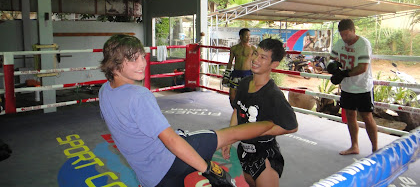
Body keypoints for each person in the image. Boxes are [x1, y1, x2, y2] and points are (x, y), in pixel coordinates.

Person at [99, 34, 279, 187]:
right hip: (170, 161)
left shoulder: (105, 90)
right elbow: (170, 140)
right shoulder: (139, 95)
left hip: (149, 177)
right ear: (114, 64)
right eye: (133, 59)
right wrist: (208, 169)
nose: (142, 63)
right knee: (227, 134)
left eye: (142, 56)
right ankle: (272, 123)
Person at [222, 38, 298, 187]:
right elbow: (237, 111)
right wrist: (229, 139)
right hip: (243, 151)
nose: (255, 59)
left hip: (264, 157)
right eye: (256, 53)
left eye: (263, 57)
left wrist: (257, 132)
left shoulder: (273, 95)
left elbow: (292, 126)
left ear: (274, 64)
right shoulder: (244, 83)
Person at [328, 19, 378, 155]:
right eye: (342, 35)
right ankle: (354, 146)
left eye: (347, 35)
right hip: (347, 87)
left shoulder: (363, 44)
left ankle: (375, 149)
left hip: (363, 87)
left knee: (367, 116)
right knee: (350, 115)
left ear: (353, 31)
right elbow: (332, 59)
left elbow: (362, 67)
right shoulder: (340, 43)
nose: (345, 38)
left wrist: (343, 73)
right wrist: (333, 68)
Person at [222, 28, 256, 108]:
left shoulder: (253, 49)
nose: (248, 37)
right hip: (236, 74)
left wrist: (256, 76)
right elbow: (230, 62)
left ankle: (244, 116)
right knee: (232, 97)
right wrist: (226, 75)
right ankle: (235, 113)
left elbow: (256, 63)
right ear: (241, 36)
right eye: (246, 35)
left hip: (248, 74)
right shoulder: (234, 48)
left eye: (249, 35)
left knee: (247, 97)